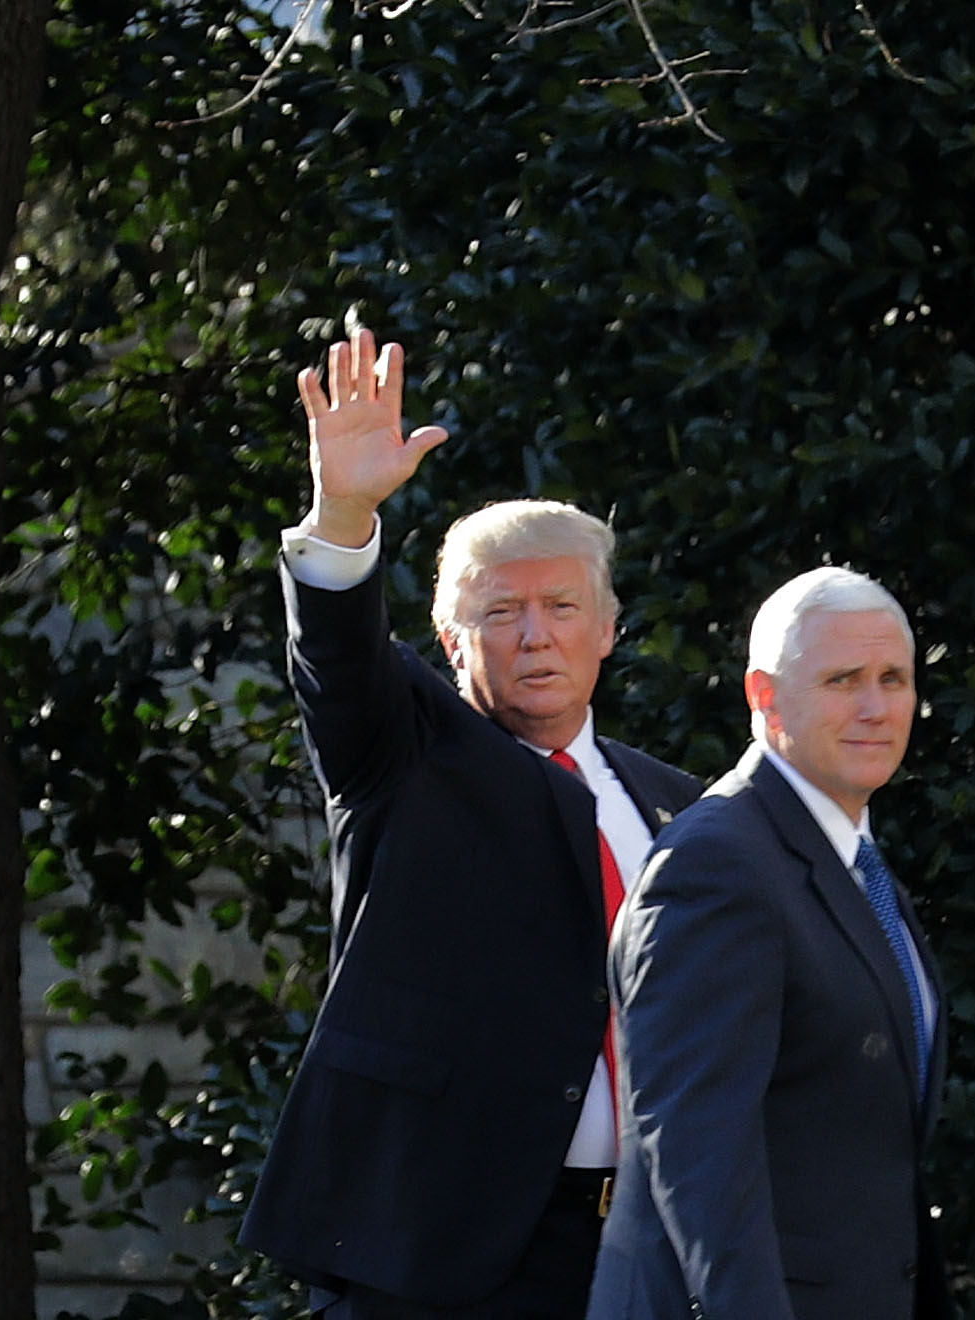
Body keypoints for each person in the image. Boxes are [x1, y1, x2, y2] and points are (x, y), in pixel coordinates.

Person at [240, 325, 704, 1320]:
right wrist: (344, 512)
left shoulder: (682, 806)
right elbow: (339, 657)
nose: (535, 633)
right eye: (501, 612)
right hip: (444, 1243)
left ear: (608, 627)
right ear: (450, 640)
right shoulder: (405, 753)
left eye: (561, 605)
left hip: (647, 1243)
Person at [590, 567, 950, 1320]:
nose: (876, 707)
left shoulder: (851, 859)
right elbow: (697, 1154)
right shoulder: (716, 865)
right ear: (763, 695)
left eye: (894, 678)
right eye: (843, 680)